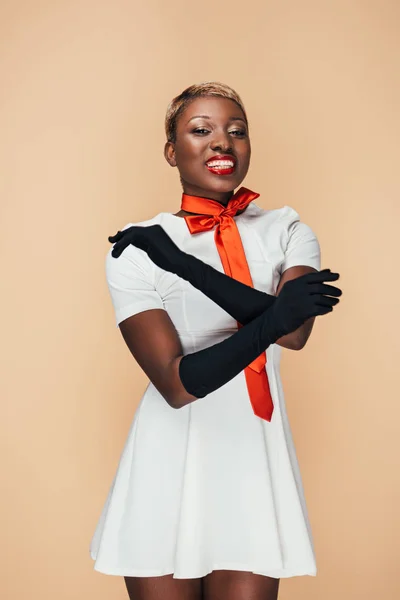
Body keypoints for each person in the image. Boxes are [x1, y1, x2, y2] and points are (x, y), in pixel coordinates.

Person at [89, 82, 342, 600]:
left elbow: (293, 334)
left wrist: (183, 266)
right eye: (200, 130)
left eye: (236, 131)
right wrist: (271, 315)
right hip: (169, 451)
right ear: (171, 151)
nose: (221, 143)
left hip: (251, 451)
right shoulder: (138, 245)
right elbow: (178, 385)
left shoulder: (288, 229)